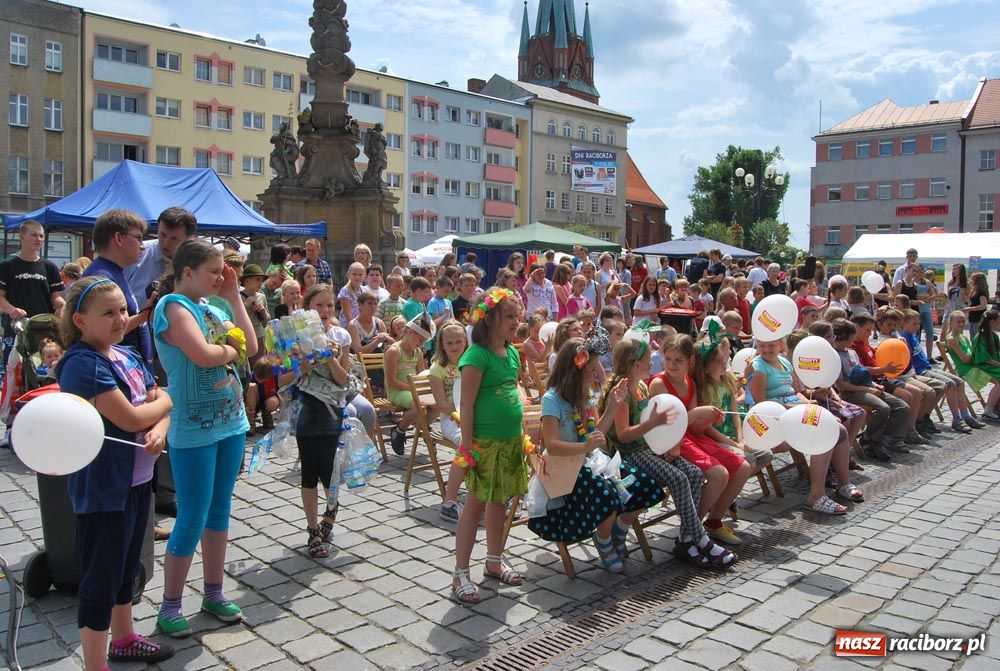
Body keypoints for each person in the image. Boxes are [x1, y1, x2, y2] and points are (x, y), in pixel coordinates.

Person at [55, 277, 175, 668]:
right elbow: (133, 414)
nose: (120, 318)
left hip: (139, 484)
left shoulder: (126, 355)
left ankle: (123, 639)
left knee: (126, 569)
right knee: (100, 578)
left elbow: (159, 405)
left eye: (123, 309)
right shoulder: (81, 363)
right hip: (105, 489)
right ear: (80, 320)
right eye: (107, 312)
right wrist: (161, 407)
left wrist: (158, 427)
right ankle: (95, 664)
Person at [152, 239, 258, 637]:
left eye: (222, 272)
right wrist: (230, 351)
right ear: (187, 272)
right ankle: (170, 605)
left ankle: (213, 592)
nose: (220, 277)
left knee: (219, 512)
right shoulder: (172, 307)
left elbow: (251, 343)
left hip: (230, 424)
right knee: (192, 516)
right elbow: (201, 354)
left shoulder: (216, 305)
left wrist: (233, 296)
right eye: (214, 272)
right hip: (193, 428)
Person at [600, 338, 737, 568]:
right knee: (678, 477)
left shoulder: (641, 386)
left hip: (650, 447)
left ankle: (685, 539)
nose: (651, 363)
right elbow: (623, 436)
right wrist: (652, 424)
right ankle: (700, 537)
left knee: (693, 473)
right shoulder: (622, 394)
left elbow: (661, 424)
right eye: (647, 360)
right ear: (636, 365)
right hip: (629, 454)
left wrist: (671, 441)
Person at [531, 335, 663, 571]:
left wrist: (612, 406)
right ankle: (603, 541)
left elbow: (596, 434)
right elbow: (552, 445)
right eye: (591, 370)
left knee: (645, 485)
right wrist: (585, 447)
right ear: (575, 371)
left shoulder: (583, 394)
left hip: (591, 461)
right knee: (607, 496)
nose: (595, 374)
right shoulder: (552, 399)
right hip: (564, 469)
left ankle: (618, 531)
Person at [452, 287, 528, 604]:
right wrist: (466, 447)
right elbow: (466, 405)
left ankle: (494, 560)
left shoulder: (511, 352)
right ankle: (460, 573)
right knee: (475, 505)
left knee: (500, 503)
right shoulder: (476, 356)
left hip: (510, 442)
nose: (515, 321)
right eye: (509, 316)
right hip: (484, 444)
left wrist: (522, 432)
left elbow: (515, 389)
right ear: (491, 318)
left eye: (517, 316)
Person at [649, 335, 752, 543]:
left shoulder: (690, 383)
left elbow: (694, 425)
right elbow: (663, 425)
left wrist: (708, 418)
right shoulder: (659, 383)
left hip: (691, 435)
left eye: (678, 360)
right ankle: (692, 530)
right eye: (668, 359)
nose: (672, 364)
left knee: (743, 467)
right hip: (671, 439)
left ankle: (713, 522)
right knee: (718, 473)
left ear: (690, 361)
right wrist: (698, 413)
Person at [746, 335, 858, 514]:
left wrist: (807, 402)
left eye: (771, 345)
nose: (766, 349)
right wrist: (795, 407)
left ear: (781, 344)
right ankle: (816, 496)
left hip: (794, 412)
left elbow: (796, 392)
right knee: (825, 431)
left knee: (840, 429)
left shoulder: (785, 362)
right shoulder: (758, 367)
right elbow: (760, 404)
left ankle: (843, 483)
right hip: (774, 421)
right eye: (762, 345)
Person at [292, 284, 352, 558]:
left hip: (332, 409)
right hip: (306, 407)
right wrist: (300, 367)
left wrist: (330, 358)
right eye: (319, 305)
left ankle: (331, 509)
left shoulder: (341, 335)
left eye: (330, 305)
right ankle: (312, 529)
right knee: (308, 471)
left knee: (329, 471)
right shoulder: (296, 337)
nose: (326, 311)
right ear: (308, 309)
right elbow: (283, 376)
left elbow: (343, 380)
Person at [82, 210, 155, 369]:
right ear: (118, 238)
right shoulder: (101, 277)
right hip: (116, 369)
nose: (142, 246)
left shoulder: (114, 271)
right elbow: (104, 332)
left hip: (127, 368)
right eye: (139, 238)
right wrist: (146, 313)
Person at [899, 309, 982, 433]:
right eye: (914, 324)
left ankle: (966, 415)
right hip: (920, 371)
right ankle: (956, 419)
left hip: (927, 368)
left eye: (918, 323)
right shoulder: (904, 338)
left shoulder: (913, 335)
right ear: (904, 324)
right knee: (949, 384)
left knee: (959, 382)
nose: (918, 326)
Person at [0, 220, 66, 376]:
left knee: (42, 372)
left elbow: (55, 296)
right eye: (34, 235)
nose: (39, 239)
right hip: (16, 329)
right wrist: (12, 310)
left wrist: (62, 305)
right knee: (14, 373)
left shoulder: (49, 266)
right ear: (21, 237)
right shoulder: (7, 265)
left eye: (41, 236)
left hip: (43, 329)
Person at [428, 322, 470, 522]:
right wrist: (462, 413)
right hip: (451, 419)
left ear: (466, 342)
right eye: (449, 342)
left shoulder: (472, 363)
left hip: (475, 414)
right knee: (466, 443)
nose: (454, 346)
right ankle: (450, 501)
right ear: (442, 345)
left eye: (459, 341)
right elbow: (441, 404)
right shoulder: (438, 369)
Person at [125, 207, 197, 301]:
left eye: (174, 239)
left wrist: (176, 277)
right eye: (163, 235)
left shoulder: (197, 264)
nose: (166, 243)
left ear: (189, 239)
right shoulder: (136, 253)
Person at [384, 313, 432, 455]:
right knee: (420, 405)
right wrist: (414, 388)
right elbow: (392, 382)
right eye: (421, 339)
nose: (422, 344)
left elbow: (421, 376)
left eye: (424, 341)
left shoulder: (417, 352)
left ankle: (425, 428)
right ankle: (399, 430)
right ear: (410, 332)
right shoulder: (394, 351)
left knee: (434, 402)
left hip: (413, 389)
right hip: (396, 391)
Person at [946, 310, 1000, 419]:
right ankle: (989, 410)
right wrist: (970, 355)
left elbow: (971, 355)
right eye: (958, 322)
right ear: (950, 323)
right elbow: (965, 360)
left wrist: (970, 355)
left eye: (963, 321)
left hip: (973, 365)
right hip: (967, 369)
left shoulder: (963, 337)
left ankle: (995, 408)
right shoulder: (951, 339)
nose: (961, 324)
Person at [941, 263, 970, 343]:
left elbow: (968, 299)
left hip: (959, 308)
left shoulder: (966, 284)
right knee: (944, 329)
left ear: (961, 271)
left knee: (957, 331)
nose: (953, 271)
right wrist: (944, 295)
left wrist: (964, 294)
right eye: (953, 269)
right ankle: (943, 350)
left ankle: (956, 349)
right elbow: (949, 297)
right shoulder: (950, 282)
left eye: (956, 269)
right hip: (949, 307)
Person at [337, 263, 366, 328]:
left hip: (360, 324)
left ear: (364, 276)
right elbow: (348, 315)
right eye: (354, 274)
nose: (357, 277)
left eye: (360, 274)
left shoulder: (364, 291)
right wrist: (355, 328)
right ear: (349, 275)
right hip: (348, 326)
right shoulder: (345, 291)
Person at [965, 271, 990, 336]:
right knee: (972, 336)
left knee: (976, 337)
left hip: (978, 318)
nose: (970, 280)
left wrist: (970, 309)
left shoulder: (981, 292)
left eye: (972, 279)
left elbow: (983, 306)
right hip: (973, 318)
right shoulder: (975, 291)